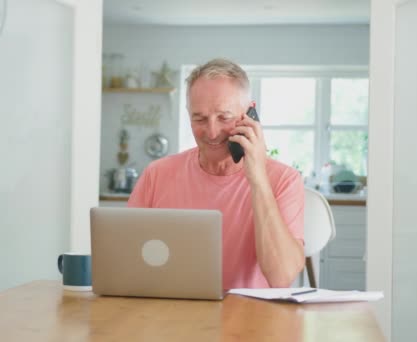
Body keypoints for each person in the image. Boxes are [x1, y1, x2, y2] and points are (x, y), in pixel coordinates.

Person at [128, 58, 304, 289]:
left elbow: (281, 277)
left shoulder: (284, 180)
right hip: (174, 313)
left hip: (253, 318)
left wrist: (258, 179)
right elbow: (127, 259)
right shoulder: (157, 174)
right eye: (199, 118)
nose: (211, 132)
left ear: (249, 114)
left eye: (224, 117)